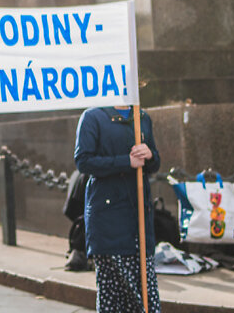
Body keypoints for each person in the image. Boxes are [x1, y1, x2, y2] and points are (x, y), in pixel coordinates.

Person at [74, 103, 161, 312]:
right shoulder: (93, 116)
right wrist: (126, 161)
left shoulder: (142, 116)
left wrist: (149, 156)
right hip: (109, 221)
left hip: (139, 219)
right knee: (114, 300)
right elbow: (83, 161)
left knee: (146, 297)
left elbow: (154, 163)